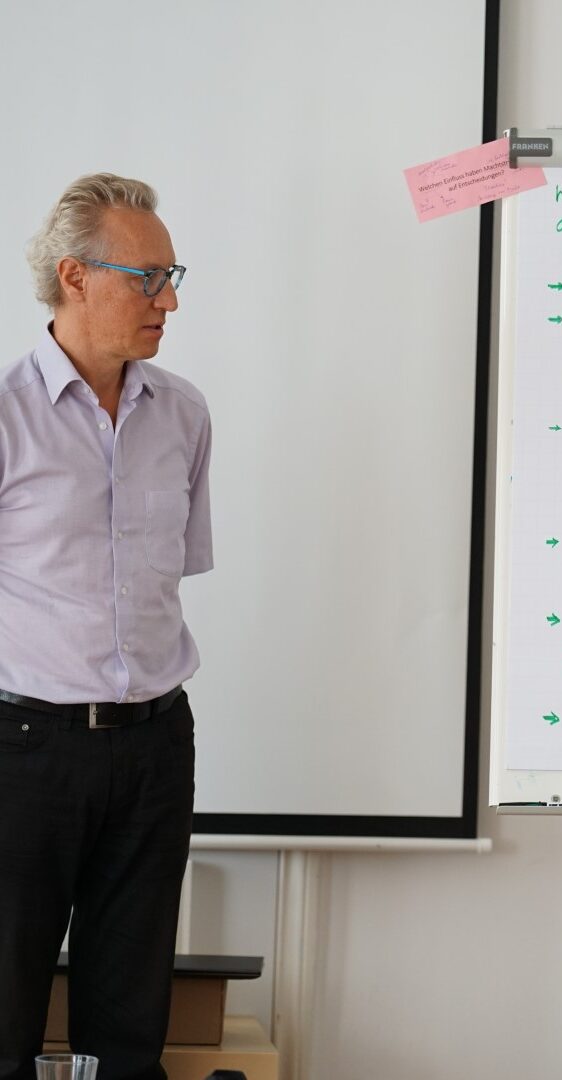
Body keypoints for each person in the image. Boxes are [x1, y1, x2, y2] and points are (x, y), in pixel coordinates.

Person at [0, 175, 212, 1080]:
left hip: (156, 745)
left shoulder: (185, 414)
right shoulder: (6, 414)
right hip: (24, 750)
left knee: (127, 1031)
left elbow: (172, 574)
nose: (168, 300)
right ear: (75, 276)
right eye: (147, 278)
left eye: (172, 277)